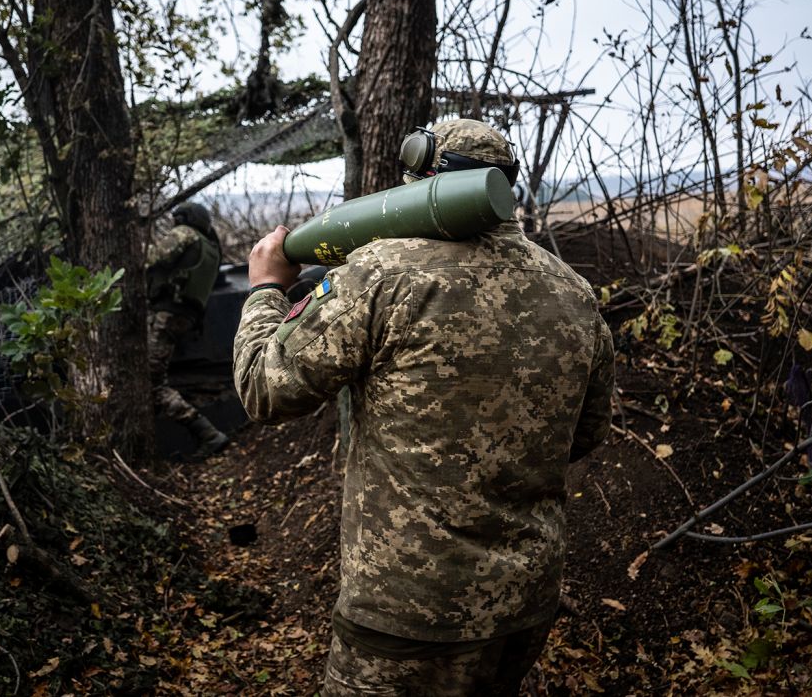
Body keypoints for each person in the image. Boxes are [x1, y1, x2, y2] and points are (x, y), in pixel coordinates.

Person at [232, 118, 615, 696]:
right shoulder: (573, 292)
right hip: (522, 604)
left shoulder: (384, 273)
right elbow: (583, 435)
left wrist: (265, 288)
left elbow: (265, 387)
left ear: (419, 184)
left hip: (407, 608)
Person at [147, 201, 230, 458]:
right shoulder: (211, 248)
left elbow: (151, 259)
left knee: (151, 385)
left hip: (165, 313)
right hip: (185, 317)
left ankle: (208, 433)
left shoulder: (185, 234)